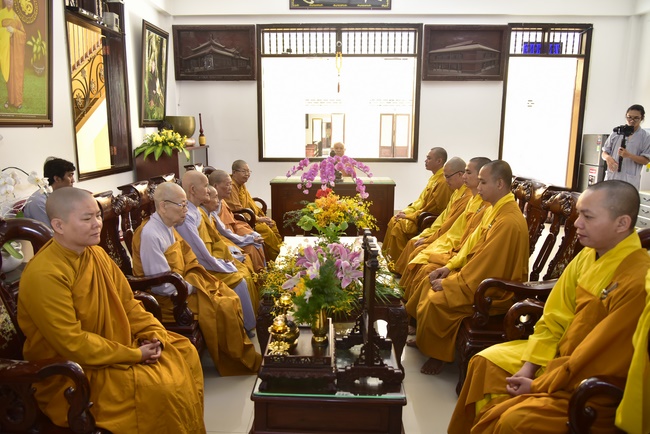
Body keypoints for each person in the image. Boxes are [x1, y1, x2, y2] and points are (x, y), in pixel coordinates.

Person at [449, 180, 650, 434]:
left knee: (512, 421)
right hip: (556, 357)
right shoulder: (589, 255)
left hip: (584, 382)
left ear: (622, 223)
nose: (577, 224)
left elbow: (596, 358)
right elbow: (554, 315)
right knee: (483, 363)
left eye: (587, 217)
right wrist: (530, 365)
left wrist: (538, 384)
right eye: (579, 215)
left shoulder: (636, 281)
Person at [17, 187, 205, 433]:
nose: (97, 224)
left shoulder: (96, 254)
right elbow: (72, 342)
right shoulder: (45, 274)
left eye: (97, 215)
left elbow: (128, 302)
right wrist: (134, 355)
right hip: (74, 372)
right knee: (159, 388)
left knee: (184, 351)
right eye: (87, 218)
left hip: (118, 344)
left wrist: (153, 333)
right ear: (58, 225)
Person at [132, 181, 262, 376]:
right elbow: (162, 286)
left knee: (228, 295)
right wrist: (194, 286)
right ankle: (237, 359)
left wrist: (196, 280)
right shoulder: (151, 234)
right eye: (182, 205)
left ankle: (239, 350)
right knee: (223, 305)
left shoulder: (168, 226)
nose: (186, 210)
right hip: (170, 300)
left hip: (185, 284)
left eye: (186, 204)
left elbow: (188, 257)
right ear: (163, 206)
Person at [414, 160, 529, 375]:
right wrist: (450, 267)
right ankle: (426, 340)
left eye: (483, 182)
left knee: (436, 300)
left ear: (500, 184)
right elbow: (472, 245)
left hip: (494, 289)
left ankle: (439, 355)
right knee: (427, 282)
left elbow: (486, 265)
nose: (478, 186)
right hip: (477, 274)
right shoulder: (494, 209)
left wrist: (451, 283)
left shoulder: (508, 221)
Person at [400, 157, 491, 312]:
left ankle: (411, 313)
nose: (464, 177)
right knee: (418, 251)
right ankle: (405, 301)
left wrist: (451, 263)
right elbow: (450, 225)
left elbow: (479, 251)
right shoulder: (473, 200)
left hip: (465, 262)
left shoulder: (497, 214)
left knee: (426, 268)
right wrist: (429, 236)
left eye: (468, 173)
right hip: (455, 248)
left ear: (499, 184)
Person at [175, 170, 257, 333]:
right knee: (239, 280)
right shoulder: (187, 216)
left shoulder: (197, 211)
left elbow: (214, 239)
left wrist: (229, 256)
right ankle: (246, 326)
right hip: (200, 268)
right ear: (193, 190)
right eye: (206, 186)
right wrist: (223, 265)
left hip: (210, 259)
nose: (208, 190)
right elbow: (199, 254)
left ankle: (249, 322)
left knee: (243, 269)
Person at [393, 157, 470, 276]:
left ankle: (401, 275)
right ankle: (396, 268)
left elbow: (449, 225)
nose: (446, 180)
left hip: (448, 240)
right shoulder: (457, 192)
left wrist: (428, 238)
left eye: (448, 176)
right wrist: (428, 232)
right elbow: (442, 218)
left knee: (417, 248)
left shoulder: (467, 197)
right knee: (410, 240)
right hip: (439, 232)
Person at [382, 147, 452, 266]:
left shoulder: (442, 182)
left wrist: (409, 216)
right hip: (418, 213)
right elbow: (421, 201)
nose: (425, 161)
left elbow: (433, 209)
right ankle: (387, 259)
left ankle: (397, 264)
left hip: (425, 219)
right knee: (394, 220)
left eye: (429, 158)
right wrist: (406, 211)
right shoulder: (434, 178)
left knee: (399, 226)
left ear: (439, 161)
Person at [207, 169, 266, 272]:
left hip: (233, 231)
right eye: (228, 185)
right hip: (225, 238)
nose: (230, 188)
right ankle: (259, 274)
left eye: (231, 184)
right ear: (216, 186)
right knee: (252, 247)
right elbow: (223, 231)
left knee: (256, 237)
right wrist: (249, 239)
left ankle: (263, 272)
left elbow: (232, 220)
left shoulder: (221, 201)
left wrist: (250, 235)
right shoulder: (210, 207)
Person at [226, 159, 282, 261]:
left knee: (272, 223)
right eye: (244, 171)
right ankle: (275, 258)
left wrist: (260, 216)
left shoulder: (241, 184)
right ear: (234, 172)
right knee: (265, 230)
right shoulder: (231, 186)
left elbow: (249, 202)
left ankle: (279, 254)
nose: (247, 174)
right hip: (242, 220)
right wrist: (259, 219)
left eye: (248, 171)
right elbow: (238, 210)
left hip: (251, 217)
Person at [601, 104, 650, 190]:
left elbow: (645, 161)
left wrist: (629, 155)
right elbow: (604, 153)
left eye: (636, 118)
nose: (632, 120)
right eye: (629, 117)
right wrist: (608, 158)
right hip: (612, 178)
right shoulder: (616, 133)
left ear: (642, 118)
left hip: (630, 182)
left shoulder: (645, 137)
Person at [23, 157, 76, 228]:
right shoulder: (39, 202)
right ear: (57, 179)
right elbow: (49, 231)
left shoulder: (62, 196)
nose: (73, 180)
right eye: (70, 175)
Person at [0, 0, 25, 110]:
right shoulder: (1, 14)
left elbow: (23, 35)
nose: (9, 1)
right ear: (4, 1)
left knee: (17, 75)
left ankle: (18, 101)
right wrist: (6, 32)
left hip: (16, 52)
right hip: (6, 50)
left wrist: (14, 31)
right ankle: (11, 100)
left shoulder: (16, 17)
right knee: (9, 75)